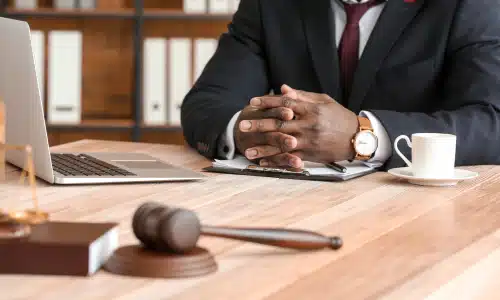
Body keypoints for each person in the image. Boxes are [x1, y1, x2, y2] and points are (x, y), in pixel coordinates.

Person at [181, 0, 500, 171]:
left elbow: (491, 123)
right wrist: (252, 130)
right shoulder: (270, 5)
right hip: (290, 204)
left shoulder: (468, 5)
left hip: (420, 215)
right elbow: (207, 103)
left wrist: (365, 136)